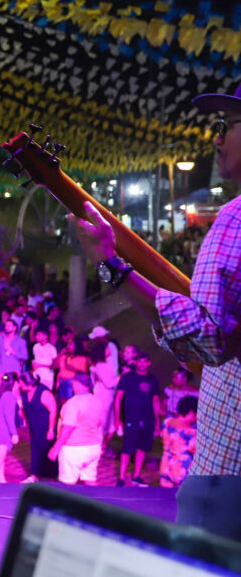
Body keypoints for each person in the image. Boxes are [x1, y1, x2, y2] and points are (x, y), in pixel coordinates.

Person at [70, 84, 241, 537]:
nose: (216, 138)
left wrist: (111, 264)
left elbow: (207, 340)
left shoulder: (234, 220)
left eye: (226, 125)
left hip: (229, 474)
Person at [113, 350, 160, 486]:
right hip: (131, 418)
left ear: (149, 363)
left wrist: (157, 422)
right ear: (135, 362)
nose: (142, 364)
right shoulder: (127, 377)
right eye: (139, 361)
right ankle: (121, 478)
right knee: (127, 447)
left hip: (148, 419)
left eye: (145, 361)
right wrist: (117, 418)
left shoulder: (152, 379)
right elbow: (118, 398)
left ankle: (137, 476)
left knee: (142, 448)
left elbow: (155, 401)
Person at [48, 373, 102, 485]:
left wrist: (56, 448)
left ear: (77, 384)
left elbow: (68, 428)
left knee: (67, 485)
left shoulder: (73, 403)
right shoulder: (97, 401)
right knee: (90, 481)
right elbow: (98, 423)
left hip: (74, 449)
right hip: (93, 446)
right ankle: (95, 502)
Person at [17, 371, 57, 482]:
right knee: (35, 450)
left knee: (46, 451)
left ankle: (50, 478)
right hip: (34, 427)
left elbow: (53, 410)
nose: (20, 384)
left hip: (45, 427)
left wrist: (51, 429)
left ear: (29, 384)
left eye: (21, 383)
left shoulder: (44, 393)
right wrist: (25, 419)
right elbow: (24, 407)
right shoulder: (24, 391)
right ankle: (34, 475)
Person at [159, 396, 198, 489]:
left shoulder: (167, 423)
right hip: (182, 471)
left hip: (165, 466)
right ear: (191, 412)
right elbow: (195, 450)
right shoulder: (191, 432)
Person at [0, 380, 20, 483]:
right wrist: (14, 433)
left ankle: (1, 479)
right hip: (3, 429)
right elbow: (9, 416)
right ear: (14, 384)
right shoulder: (10, 396)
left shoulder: (5, 394)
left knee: (0, 456)